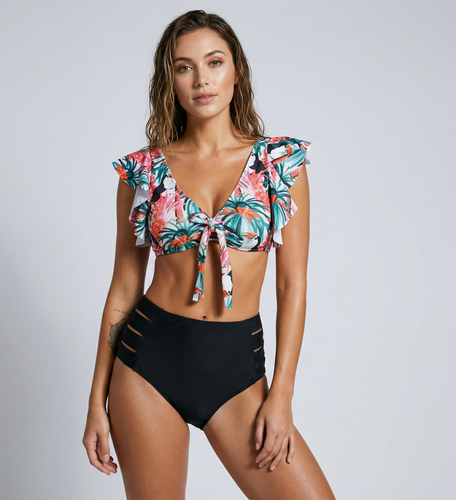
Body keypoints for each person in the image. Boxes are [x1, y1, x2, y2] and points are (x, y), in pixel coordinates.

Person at [82, 9, 335, 500]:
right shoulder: (144, 173)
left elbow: (292, 285)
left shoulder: (280, 165)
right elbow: (124, 287)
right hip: (146, 367)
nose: (201, 79)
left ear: (236, 70)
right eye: (185, 67)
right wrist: (96, 399)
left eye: (214, 62)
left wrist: (281, 395)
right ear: (170, 81)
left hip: (237, 372)